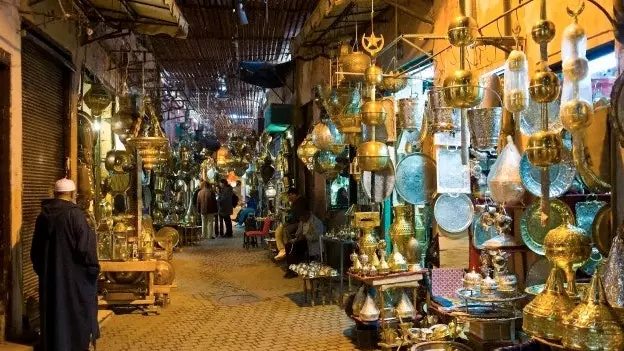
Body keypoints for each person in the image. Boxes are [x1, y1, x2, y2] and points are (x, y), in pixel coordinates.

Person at [31, 178, 100, 350]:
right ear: (72, 194)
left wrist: (46, 271)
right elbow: (85, 248)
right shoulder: (74, 215)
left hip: (50, 280)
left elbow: (35, 252)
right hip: (74, 280)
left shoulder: (42, 217)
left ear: (55, 194)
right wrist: (92, 268)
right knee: (75, 315)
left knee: (53, 315)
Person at [283, 202, 324, 278]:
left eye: (301, 217)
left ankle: (292, 270)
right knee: (289, 246)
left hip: (311, 243)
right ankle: (290, 269)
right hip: (303, 241)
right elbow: (298, 232)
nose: (300, 219)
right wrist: (297, 236)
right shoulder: (303, 221)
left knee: (293, 247)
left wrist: (305, 236)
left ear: (307, 214)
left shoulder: (316, 222)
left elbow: (316, 237)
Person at [273, 188, 305, 260]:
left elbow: (296, 216)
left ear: (293, 194)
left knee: (283, 230)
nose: (288, 198)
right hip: (294, 222)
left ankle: (287, 249)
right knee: (279, 230)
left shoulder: (300, 202)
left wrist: (287, 221)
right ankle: (283, 249)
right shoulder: (296, 202)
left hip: (299, 223)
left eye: (289, 196)